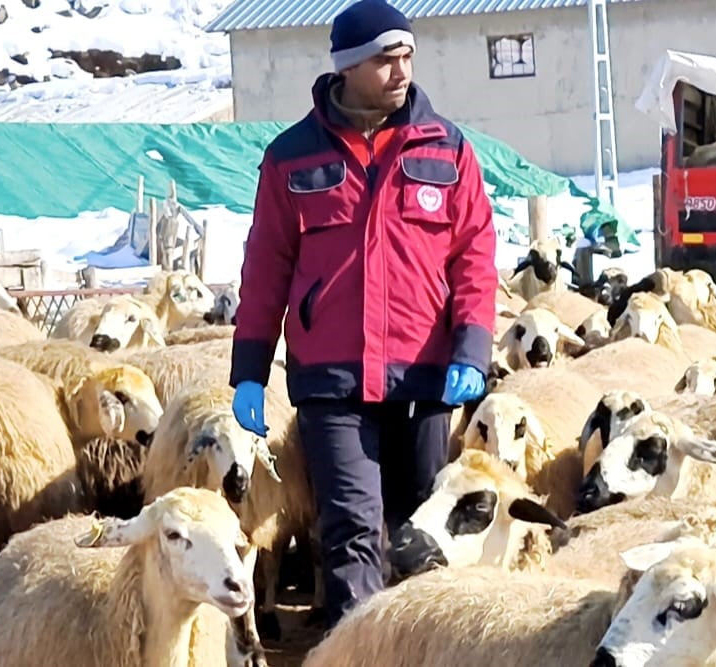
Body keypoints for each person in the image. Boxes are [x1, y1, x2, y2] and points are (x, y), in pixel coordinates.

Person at [228, 0, 497, 628]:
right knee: (350, 525)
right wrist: (250, 369)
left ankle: (421, 642)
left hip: (424, 370)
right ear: (348, 66)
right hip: (332, 376)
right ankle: (359, 646)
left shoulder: (446, 148)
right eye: (384, 57)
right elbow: (266, 269)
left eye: (406, 55)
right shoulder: (291, 157)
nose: (400, 69)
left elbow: (474, 258)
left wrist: (472, 349)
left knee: (417, 527)